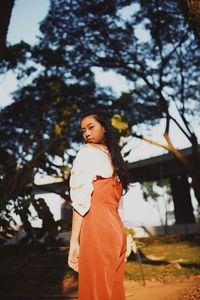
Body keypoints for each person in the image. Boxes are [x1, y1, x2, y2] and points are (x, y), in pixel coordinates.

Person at [68, 109, 130, 300]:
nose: (86, 133)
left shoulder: (88, 153)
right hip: (116, 229)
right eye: (83, 130)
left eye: (91, 127)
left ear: (104, 128)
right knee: (114, 289)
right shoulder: (114, 159)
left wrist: (73, 242)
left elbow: (80, 201)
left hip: (97, 227)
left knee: (97, 290)